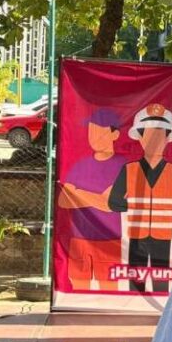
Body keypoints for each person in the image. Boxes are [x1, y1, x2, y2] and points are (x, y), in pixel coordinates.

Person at [108, 103, 172, 293]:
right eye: (149, 135)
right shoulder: (129, 169)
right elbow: (113, 201)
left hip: (162, 235)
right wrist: (132, 206)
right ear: (140, 138)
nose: (154, 141)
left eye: (159, 135)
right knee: (135, 280)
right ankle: (134, 303)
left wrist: (168, 206)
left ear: (167, 139)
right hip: (136, 235)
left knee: (161, 279)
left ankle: (161, 303)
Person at [58, 108, 126, 291]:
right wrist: (98, 198)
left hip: (109, 239)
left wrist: (77, 193)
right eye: (91, 131)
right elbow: (63, 200)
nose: (94, 136)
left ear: (115, 134)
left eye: (100, 131)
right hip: (79, 238)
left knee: (109, 289)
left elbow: (111, 203)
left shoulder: (124, 166)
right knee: (79, 288)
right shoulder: (80, 166)